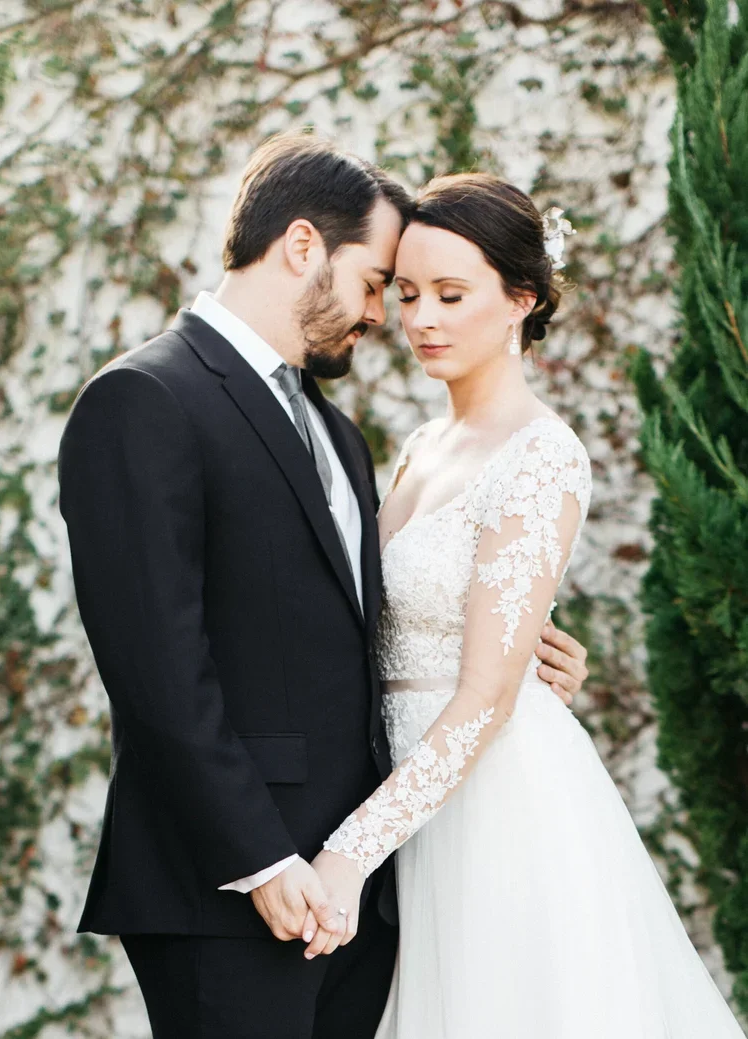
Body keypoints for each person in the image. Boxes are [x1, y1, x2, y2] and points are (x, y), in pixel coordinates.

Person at [57, 134, 589, 1039]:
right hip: (231, 887)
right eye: (383, 281)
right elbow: (155, 667)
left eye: (428, 292)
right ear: (304, 247)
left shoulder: (341, 439)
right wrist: (263, 862)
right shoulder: (144, 398)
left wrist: (517, 655)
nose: (390, 313)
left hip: (371, 885)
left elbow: (356, 620)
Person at [306, 173, 748, 1038]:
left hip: (497, 804)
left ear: (521, 300)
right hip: (409, 794)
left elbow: (487, 694)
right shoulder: (421, 447)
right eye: (406, 295)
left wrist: (351, 852)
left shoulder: (541, 456)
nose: (422, 319)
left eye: (450, 294)